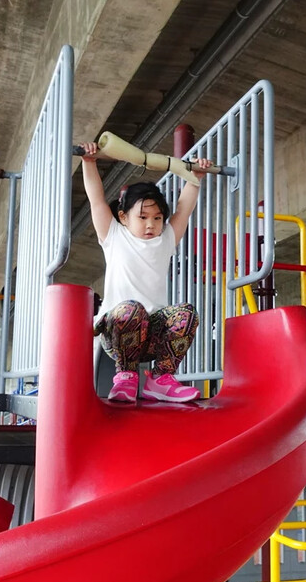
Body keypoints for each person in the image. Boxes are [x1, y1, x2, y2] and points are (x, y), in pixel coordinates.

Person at [79, 140, 212, 403]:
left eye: (157, 218)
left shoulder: (166, 239)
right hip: (117, 330)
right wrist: (89, 162)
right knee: (132, 309)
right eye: (142, 217)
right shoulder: (114, 236)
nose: (151, 224)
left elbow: (184, 208)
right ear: (124, 217)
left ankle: (161, 379)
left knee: (186, 312)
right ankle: (126, 376)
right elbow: (96, 200)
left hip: (151, 335)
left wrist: (195, 177)